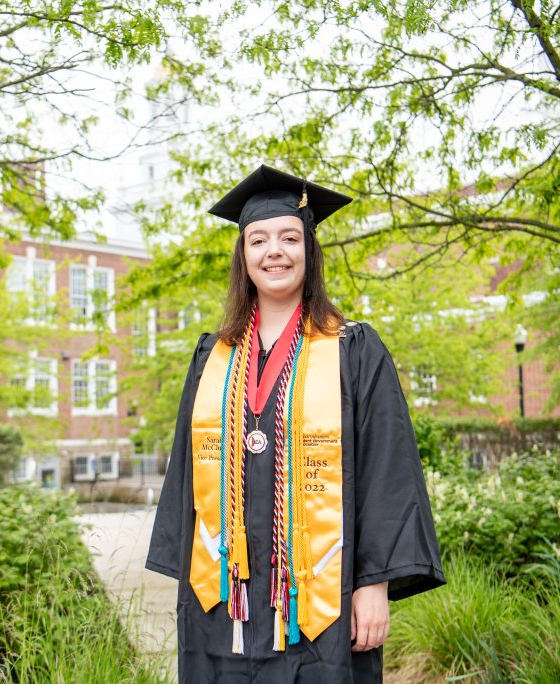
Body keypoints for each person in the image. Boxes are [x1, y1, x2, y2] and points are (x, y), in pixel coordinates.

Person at [146, 164, 445, 683]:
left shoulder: (354, 349)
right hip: (225, 602)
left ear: (310, 250)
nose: (274, 252)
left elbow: (386, 470)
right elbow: (187, 474)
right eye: (257, 240)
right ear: (243, 257)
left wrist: (372, 585)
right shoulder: (212, 357)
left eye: (289, 237)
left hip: (321, 607)